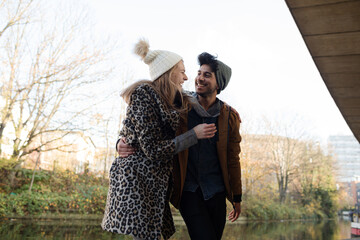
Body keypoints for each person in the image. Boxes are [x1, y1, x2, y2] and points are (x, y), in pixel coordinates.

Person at [118, 52, 242, 240]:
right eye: (199, 73)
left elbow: (233, 158)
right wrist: (119, 141)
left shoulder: (229, 116)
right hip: (188, 190)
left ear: (219, 84)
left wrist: (236, 196)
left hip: (216, 191)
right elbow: (138, 122)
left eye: (207, 75)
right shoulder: (179, 104)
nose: (199, 78)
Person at [101, 39, 217, 240]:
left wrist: (228, 112)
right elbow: (152, 149)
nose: (186, 76)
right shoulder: (144, 95)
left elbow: (202, 98)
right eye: (182, 71)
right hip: (138, 183)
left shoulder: (175, 97)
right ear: (169, 72)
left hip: (157, 182)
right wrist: (194, 135)